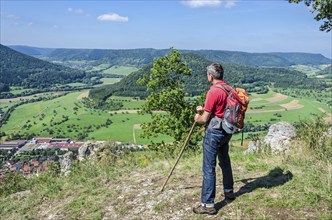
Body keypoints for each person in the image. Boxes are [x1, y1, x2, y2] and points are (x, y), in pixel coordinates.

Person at [193, 63, 235, 215]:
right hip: (227, 131)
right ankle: (229, 192)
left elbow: (204, 119)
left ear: (210, 75)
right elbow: (220, 110)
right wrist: (204, 110)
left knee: (208, 168)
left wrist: (197, 117)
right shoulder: (229, 89)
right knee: (224, 161)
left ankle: (208, 204)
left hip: (215, 132)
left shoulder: (213, 91)